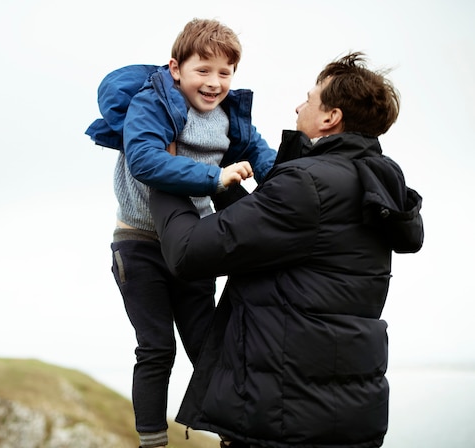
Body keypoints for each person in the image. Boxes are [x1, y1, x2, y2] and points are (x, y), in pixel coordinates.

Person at [149, 52, 424, 448]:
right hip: (345, 418)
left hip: (281, 421)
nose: (299, 106)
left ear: (331, 117)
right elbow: (271, 228)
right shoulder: (370, 182)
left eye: (310, 99)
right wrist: (218, 180)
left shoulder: (309, 184)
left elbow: (188, 252)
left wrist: (165, 172)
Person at [85, 18, 277, 448]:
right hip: (138, 243)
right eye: (202, 70)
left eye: (224, 73)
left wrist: (301, 185)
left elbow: (265, 160)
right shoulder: (151, 105)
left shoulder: (230, 118)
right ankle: (153, 441)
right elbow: (146, 162)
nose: (214, 83)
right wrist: (216, 179)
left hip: (191, 242)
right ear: (176, 69)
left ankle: (234, 432)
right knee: (156, 348)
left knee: (210, 345)